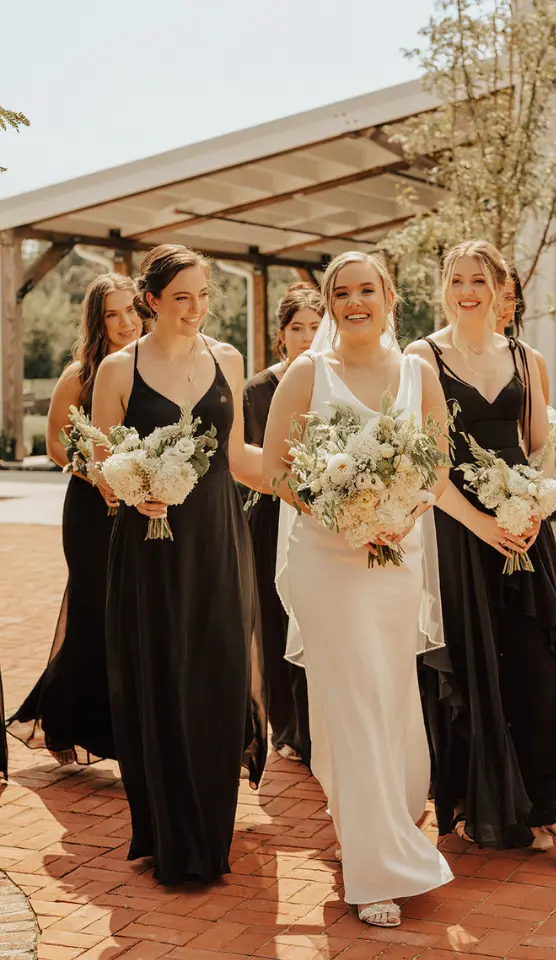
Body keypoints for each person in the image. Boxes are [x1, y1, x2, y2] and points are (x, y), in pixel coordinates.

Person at [263, 251, 453, 927]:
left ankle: (369, 821)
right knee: (352, 702)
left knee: (387, 694)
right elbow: (272, 467)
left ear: (389, 295)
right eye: (341, 292)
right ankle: (374, 872)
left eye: (365, 289)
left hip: (395, 560)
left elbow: (438, 462)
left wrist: (401, 514)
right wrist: (337, 513)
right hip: (326, 561)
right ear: (329, 302)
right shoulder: (309, 374)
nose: (353, 302)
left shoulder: (418, 372)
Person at [407, 239, 556, 853]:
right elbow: (428, 470)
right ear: (444, 287)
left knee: (537, 662)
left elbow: (539, 445)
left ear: (498, 289)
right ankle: (484, 803)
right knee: (475, 664)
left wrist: (536, 506)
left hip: (524, 526)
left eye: (478, 281)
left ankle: (550, 802)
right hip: (461, 529)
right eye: (457, 280)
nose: (467, 292)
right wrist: (484, 524)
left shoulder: (525, 355)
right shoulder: (423, 357)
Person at [92, 244, 266, 884]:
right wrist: (133, 488)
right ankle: (171, 835)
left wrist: (311, 488)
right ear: (152, 301)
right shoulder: (119, 369)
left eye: (204, 295)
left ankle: (211, 834)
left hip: (220, 540)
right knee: (160, 679)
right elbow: (101, 465)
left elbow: (241, 455)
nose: (195, 308)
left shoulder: (228, 359)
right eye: (182, 297)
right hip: (150, 547)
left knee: (218, 677)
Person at [7, 274, 141, 765]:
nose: (126, 321)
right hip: (89, 509)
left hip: (139, 508)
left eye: (132, 310)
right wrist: (98, 472)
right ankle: (66, 722)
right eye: (113, 313)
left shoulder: (153, 367)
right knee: (90, 615)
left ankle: (114, 726)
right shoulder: (78, 374)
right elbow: (56, 444)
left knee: (128, 618)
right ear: (97, 320)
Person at [244, 282, 322, 764]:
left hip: (325, 512)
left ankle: (320, 724)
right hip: (273, 511)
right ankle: (289, 726)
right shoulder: (258, 389)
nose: (308, 337)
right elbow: (256, 456)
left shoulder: (334, 379)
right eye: (298, 328)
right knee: (276, 620)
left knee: (316, 617)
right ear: (282, 335)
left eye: (316, 327)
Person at [497, 264, 551, 403]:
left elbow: (545, 420)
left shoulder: (532, 360)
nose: (500, 306)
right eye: (494, 295)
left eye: (508, 298)